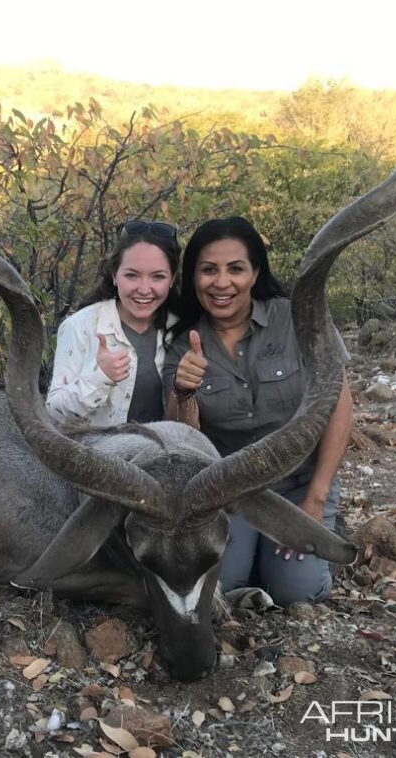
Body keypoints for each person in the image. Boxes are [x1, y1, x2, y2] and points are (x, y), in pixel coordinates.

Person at [162, 216, 353, 606]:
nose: (221, 283)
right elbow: (184, 440)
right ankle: (254, 555)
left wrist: (315, 500)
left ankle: (307, 549)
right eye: (208, 270)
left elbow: (339, 405)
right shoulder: (184, 345)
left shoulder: (297, 319)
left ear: (255, 273)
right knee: (220, 589)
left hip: (301, 481)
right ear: (193, 277)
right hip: (231, 493)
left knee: (295, 593)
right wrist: (184, 390)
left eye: (236, 269)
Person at [47, 220, 181, 426]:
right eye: (132, 275)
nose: (144, 289)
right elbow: (55, 411)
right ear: (114, 275)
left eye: (157, 277)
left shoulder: (180, 329)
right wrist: (100, 377)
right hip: (96, 455)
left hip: (160, 455)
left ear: (171, 279)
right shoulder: (81, 326)